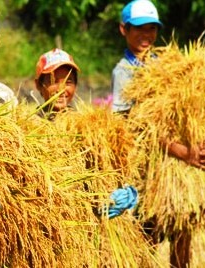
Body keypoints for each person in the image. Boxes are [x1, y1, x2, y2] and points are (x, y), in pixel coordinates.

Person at [110, 1, 205, 267]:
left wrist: (203, 140)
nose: (146, 36)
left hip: (180, 166)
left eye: (151, 29)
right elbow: (134, 125)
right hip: (150, 168)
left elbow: (189, 109)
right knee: (148, 234)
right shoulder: (124, 72)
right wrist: (180, 150)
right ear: (124, 29)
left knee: (183, 234)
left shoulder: (166, 65)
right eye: (138, 29)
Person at [34, 48, 138, 218]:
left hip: (86, 219)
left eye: (68, 82)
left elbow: (104, 169)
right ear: (39, 85)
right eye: (53, 81)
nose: (61, 89)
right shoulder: (33, 127)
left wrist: (116, 191)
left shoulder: (88, 128)